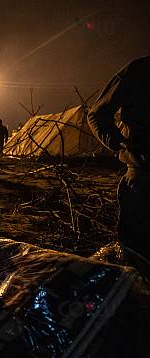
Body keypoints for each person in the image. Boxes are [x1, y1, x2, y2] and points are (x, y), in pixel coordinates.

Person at [88, 55, 150, 261]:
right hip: (143, 180)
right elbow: (97, 114)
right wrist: (120, 145)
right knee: (136, 257)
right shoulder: (139, 70)